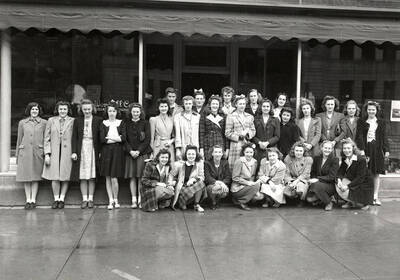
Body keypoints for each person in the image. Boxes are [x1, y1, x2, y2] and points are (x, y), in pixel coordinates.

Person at [356, 101, 389, 206]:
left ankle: (375, 197)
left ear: (376, 110)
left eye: (373, 109)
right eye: (369, 109)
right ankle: (365, 197)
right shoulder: (361, 121)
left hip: (377, 150)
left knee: (376, 174)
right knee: (365, 173)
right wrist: (362, 150)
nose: (371, 111)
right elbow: (359, 136)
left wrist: (386, 150)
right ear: (366, 110)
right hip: (366, 149)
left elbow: (384, 137)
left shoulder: (381, 122)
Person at [42, 101, 74, 209]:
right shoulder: (51, 120)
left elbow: (75, 138)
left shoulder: (72, 121)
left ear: (68, 110)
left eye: (65, 109)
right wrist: (47, 153)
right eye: (61, 109)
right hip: (54, 151)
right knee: (54, 177)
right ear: (57, 110)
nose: (63, 111)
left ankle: (62, 198)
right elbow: (46, 138)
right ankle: (56, 199)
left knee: (65, 176)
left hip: (67, 152)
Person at [70, 99, 102, 209]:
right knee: (83, 175)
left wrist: (100, 152)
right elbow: (74, 137)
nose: (87, 111)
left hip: (93, 147)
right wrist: (74, 151)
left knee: (92, 175)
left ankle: (91, 199)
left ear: (92, 109)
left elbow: (100, 138)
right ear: (81, 110)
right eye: (85, 109)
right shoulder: (77, 121)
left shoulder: (98, 120)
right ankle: (84, 199)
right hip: (82, 147)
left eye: (89, 109)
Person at [16, 102, 47, 209]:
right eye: (32, 109)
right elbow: (19, 139)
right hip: (24, 153)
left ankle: (33, 200)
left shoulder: (44, 123)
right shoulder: (22, 123)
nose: (34, 111)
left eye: (36, 109)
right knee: (26, 177)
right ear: (29, 110)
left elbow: (46, 139)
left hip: (37, 152)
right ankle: (27, 200)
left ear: (39, 111)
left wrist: (45, 152)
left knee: (35, 177)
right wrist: (17, 156)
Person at [124, 103, 152, 209]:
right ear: (130, 112)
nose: (135, 113)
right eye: (134, 111)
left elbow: (147, 139)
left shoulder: (145, 123)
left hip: (142, 154)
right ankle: (133, 200)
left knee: (141, 177)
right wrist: (130, 151)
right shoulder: (126, 123)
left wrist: (138, 151)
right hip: (130, 154)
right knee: (132, 177)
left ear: (141, 112)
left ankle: (141, 199)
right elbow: (124, 139)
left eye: (137, 111)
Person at [100, 103, 126, 210]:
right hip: (106, 151)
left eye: (113, 111)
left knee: (114, 177)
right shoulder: (103, 123)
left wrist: (110, 138)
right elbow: (102, 139)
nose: (112, 113)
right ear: (107, 112)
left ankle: (116, 199)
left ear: (117, 112)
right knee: (108, 176)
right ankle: (110, 200)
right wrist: (116, 138)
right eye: (110, 111)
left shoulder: (121, 123)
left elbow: (123, 138)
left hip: (117, 151)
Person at [336, 138, 373, 210]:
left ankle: (365, 202)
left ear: (353, 148)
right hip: (354, 180)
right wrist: (339, 180)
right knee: (340, 182)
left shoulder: (361, 159)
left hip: (364, 183)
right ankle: (350, 202)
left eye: (348, 148)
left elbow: (360, 178)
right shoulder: (344, 159)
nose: (347, 150)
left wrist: (347, 186)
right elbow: (340, 172)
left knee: (361, 205)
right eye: (344, 148)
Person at [169, 145, 207, 212]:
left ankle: (196, 204)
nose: (191, 156)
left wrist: (194, 179)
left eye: (193, 154)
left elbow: (202, 177)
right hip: (182, 188)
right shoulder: (179, 164)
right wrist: (170, 183)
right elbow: (171, 174)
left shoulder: (199, 164)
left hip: (192, 186)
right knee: (183, 206)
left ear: (196, 155)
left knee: (200, 183)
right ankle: (182, 203)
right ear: (186, 155)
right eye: (189, 154)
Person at [225, 95, 256, 170]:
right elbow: (227, 132)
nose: (242, 106)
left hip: (247, 144)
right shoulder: (231, 116)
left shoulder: (250, 116)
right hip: (236, 145)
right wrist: (239, 136)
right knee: (235, 166)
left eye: (243, 104)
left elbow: (253, 130)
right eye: (240, 104)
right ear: (236, 105)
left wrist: (248, 135)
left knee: (246, 166)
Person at [307, 140, 339, 211]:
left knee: (316, 186)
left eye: (329, 148)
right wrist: (313, 179)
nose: (327, 150)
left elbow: (331, 177)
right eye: (325, 148)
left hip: (330, 185)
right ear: (322, 148)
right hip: (317, 183)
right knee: (309, 199)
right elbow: (313, 172)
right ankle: (321, 198)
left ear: (332, 149)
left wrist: (317, 179)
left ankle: (329, 202)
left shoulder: (335, 160)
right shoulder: (317, 158)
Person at [231, 143, 262, 211]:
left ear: (253, 153)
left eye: (251, 152)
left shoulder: (255, 162)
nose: (249, 154)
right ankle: (241, 202)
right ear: (243, 152)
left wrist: (254, 184)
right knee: (256, 186)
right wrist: (248, 183)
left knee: (260, 196)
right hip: (237, 188)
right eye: (247, 152)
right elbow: (235, 178)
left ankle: (240, 199)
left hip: (248, 186)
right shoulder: (239, 161)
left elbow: (252, 176)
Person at [199, 95, 229, 160]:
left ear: (219, 105)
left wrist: (227, 149)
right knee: (208, 161)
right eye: (213, 104)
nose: (215, 106)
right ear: (210, 105)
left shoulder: (223, 116)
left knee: (219, 162)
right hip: (207, 142)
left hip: (220, 141)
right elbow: (201, 133)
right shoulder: (204, 115)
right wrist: (201, 148)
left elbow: (225, 134)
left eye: (216, 104)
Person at [204, 145, 232, 209]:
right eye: (216, 152)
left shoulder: (225, 162)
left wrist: (223, 184)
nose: (218, 154)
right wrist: (219, 183)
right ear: (212, 153)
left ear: (222, 154)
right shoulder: (207, 163)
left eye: (219, 152)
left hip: (222, 185)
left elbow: (228, 177)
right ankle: (212, 202)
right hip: (211, 185)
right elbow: (207, 177)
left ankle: (217, 200)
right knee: (213, 189)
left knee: (225, 191)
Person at [174, 95, 201, 160]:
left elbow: (200, 133)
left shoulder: (197, 116)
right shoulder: (178, 117)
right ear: (183, 104)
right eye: (186, 104)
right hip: (183, 145)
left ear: (192, 104)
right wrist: (178, 149)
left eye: (189, 103)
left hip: (195, 145)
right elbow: (177, 134)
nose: (188, 105)